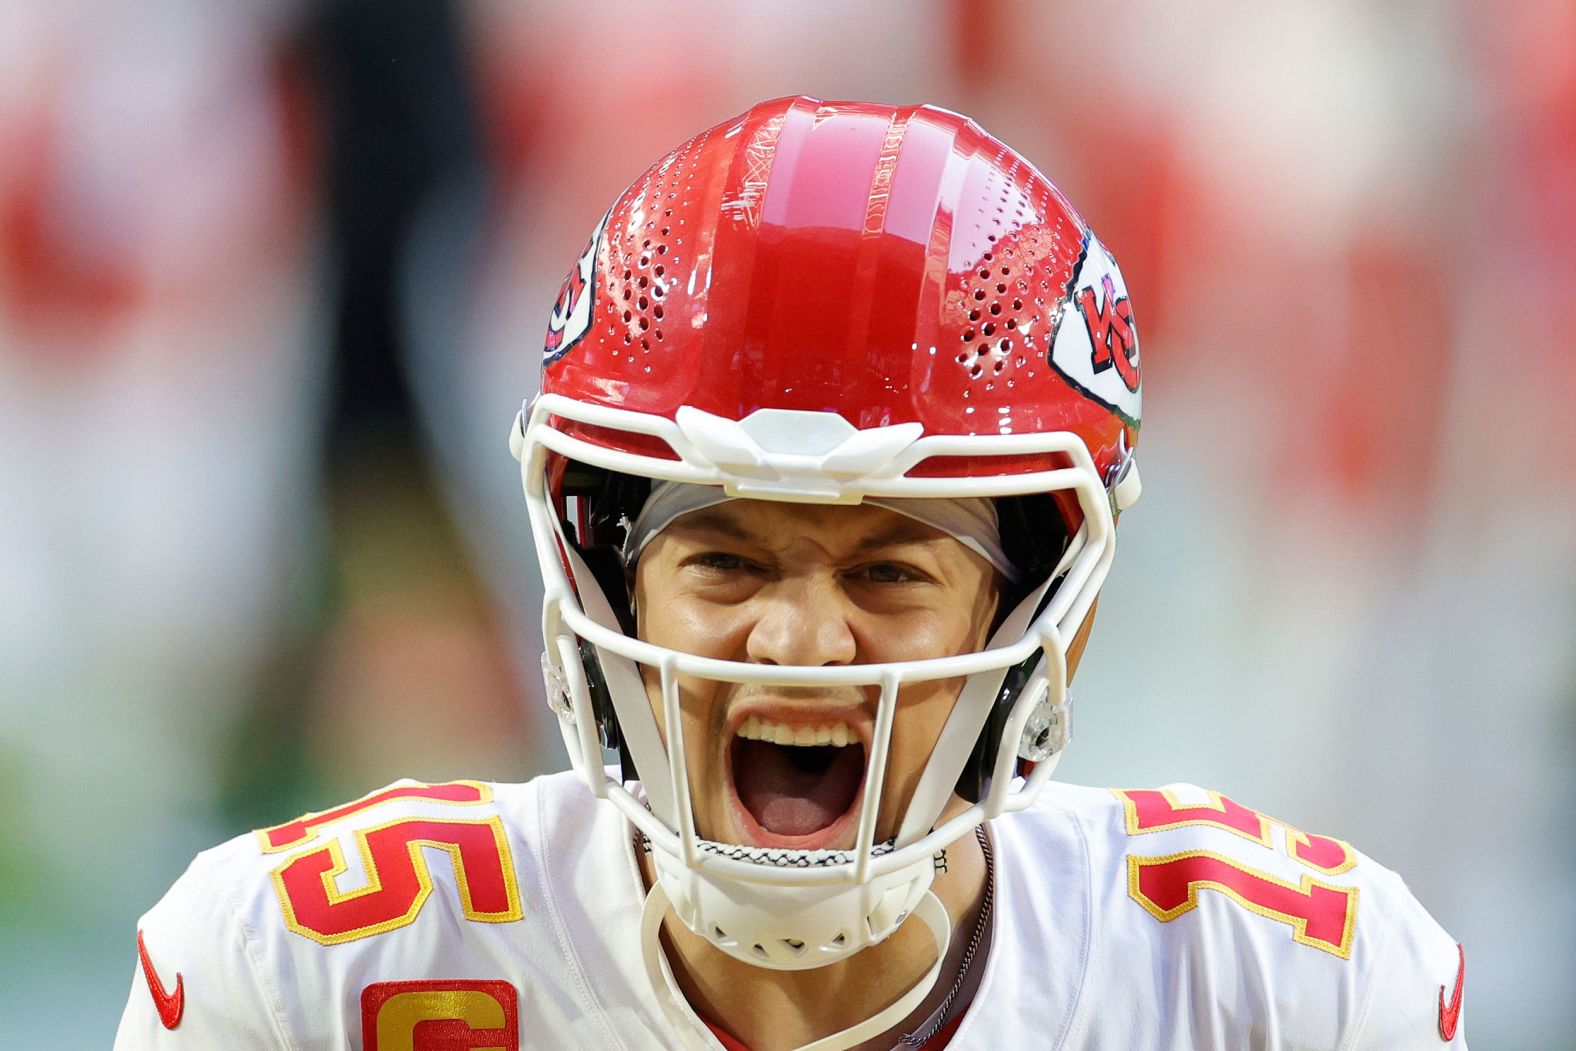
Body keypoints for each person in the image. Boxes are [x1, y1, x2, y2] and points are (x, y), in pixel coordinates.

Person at [116, 96, 1467, 1050]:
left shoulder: (1281, 997)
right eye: (726, 558)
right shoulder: (304, 979)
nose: (800, 642)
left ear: (1038, 612)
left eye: (887, 571)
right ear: (609, 578)